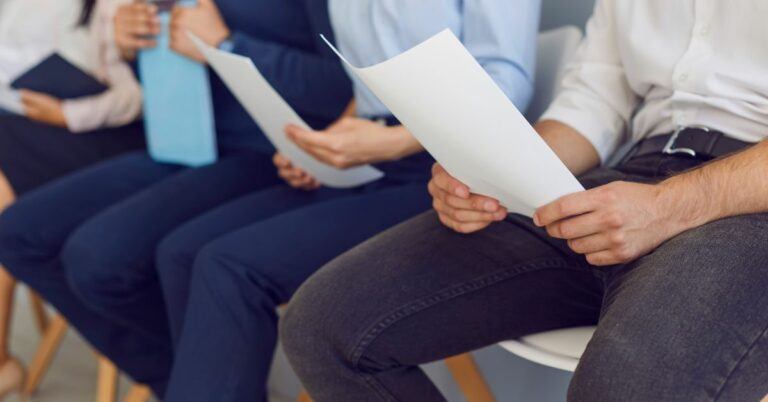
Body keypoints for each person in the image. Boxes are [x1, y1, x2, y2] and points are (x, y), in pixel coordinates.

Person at [280, 1, 768, 401]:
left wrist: (668, 207)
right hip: (629, 180)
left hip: (746, 203)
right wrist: (493, 172)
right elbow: (594, 99)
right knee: (326, 326)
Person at [150, 1, 539, 401]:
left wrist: (391, 142)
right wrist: (323, 144)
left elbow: (505, 85)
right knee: (185, 252)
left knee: (230, 269)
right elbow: (365, 84)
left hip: (450, 172)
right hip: (369, 152)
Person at [0, 0, 352, 396]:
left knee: (101, 257)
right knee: (17, 233)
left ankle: (198, 383)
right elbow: (163, 79)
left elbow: (346, 91)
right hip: (183, 142)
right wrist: (131, 45)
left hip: (278, 154)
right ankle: (186, 382)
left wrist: (229, 44)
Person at [0, 0, 146, 396]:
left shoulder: (110, 7)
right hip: (20, 123)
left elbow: (136, 97)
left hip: (90, 136)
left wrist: (67, 114)